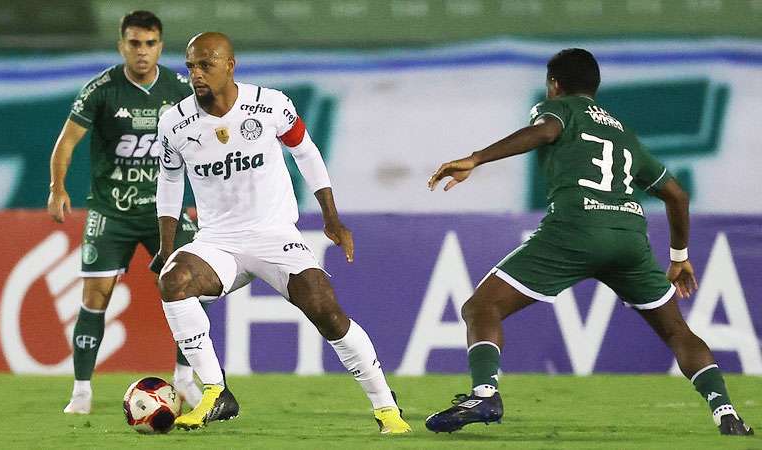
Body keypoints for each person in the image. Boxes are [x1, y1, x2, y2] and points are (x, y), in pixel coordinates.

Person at [424, 48, 753, 436]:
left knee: (482, 307)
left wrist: (476, 158)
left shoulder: (563, 111)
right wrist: (679, 257)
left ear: (554, 85)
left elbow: (545, 131)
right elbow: (677, 195)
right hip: (630, 237)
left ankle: (484, 393)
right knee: (676, 331)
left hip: (575, 229)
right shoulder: (622, 132)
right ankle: (726, 412)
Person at [154, 32, 411, 434]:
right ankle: (215, 391)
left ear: (230, 65)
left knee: (325, 309)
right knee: (174, 280)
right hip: (217, 241)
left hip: (274, 235)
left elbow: (306, 152)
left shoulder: (271, 105)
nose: (196, 74)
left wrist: (331, 216)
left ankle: (385, 406)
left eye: (205, 64)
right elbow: (169, 180)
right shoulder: (174, 123)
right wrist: (167, 246)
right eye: (190, 66)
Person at [47, 10, 204, 414]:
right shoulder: (101, 89)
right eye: (134, 43)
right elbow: (66, 143)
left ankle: (185, 378)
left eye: (150, 44)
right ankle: (81, 390)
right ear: (122, 45)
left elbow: (205, 146)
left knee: (187, 288)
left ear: (160, 46)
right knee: (95, 297)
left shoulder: (181, 89)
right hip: (110, 212)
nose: (142, 52)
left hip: (163, 212)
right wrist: (57, 188)